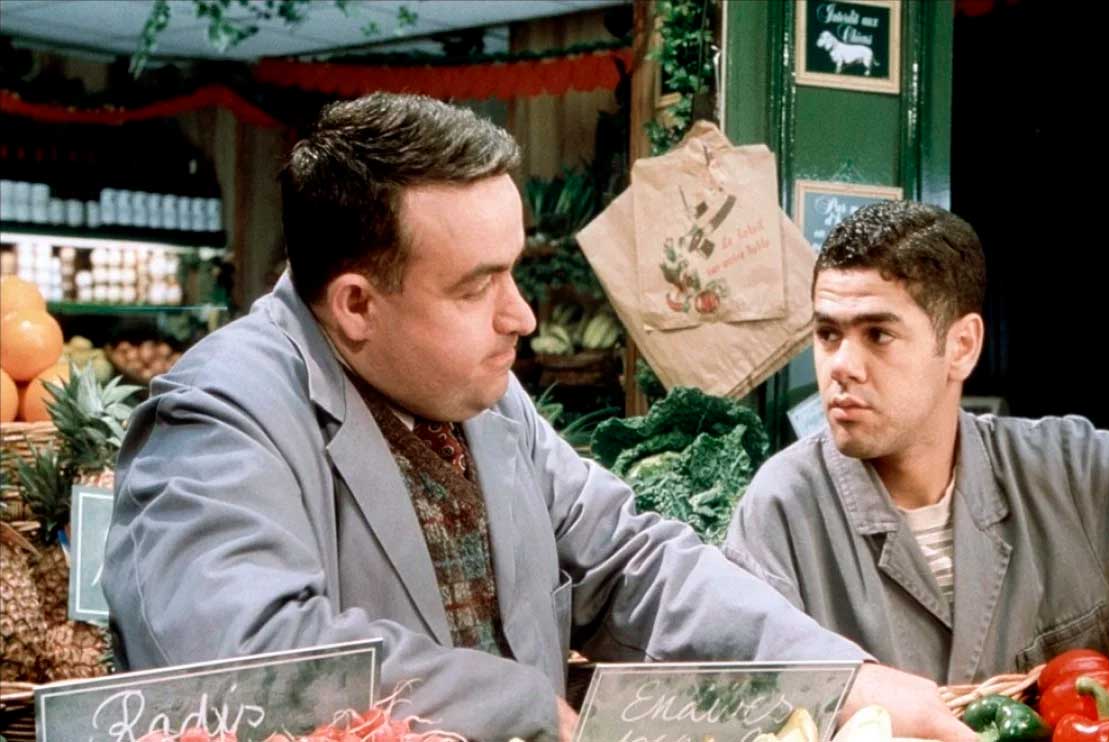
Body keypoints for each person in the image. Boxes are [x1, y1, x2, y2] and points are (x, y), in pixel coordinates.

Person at [103, 95, 976, 741]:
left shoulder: (486, 399)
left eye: (514, 271)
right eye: (476, 286)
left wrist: (841, 678)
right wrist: (522, 706)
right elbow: (254, 658)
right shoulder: (217, 417)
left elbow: (632, 559)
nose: (520, 315)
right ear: (357, 304)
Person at [724, 200, 1109, 691]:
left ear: (962, 347)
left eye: (878, 334)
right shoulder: (781, 510)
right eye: (828, 334)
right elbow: (734, 699)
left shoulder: (1071, 469)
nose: (841, 366)